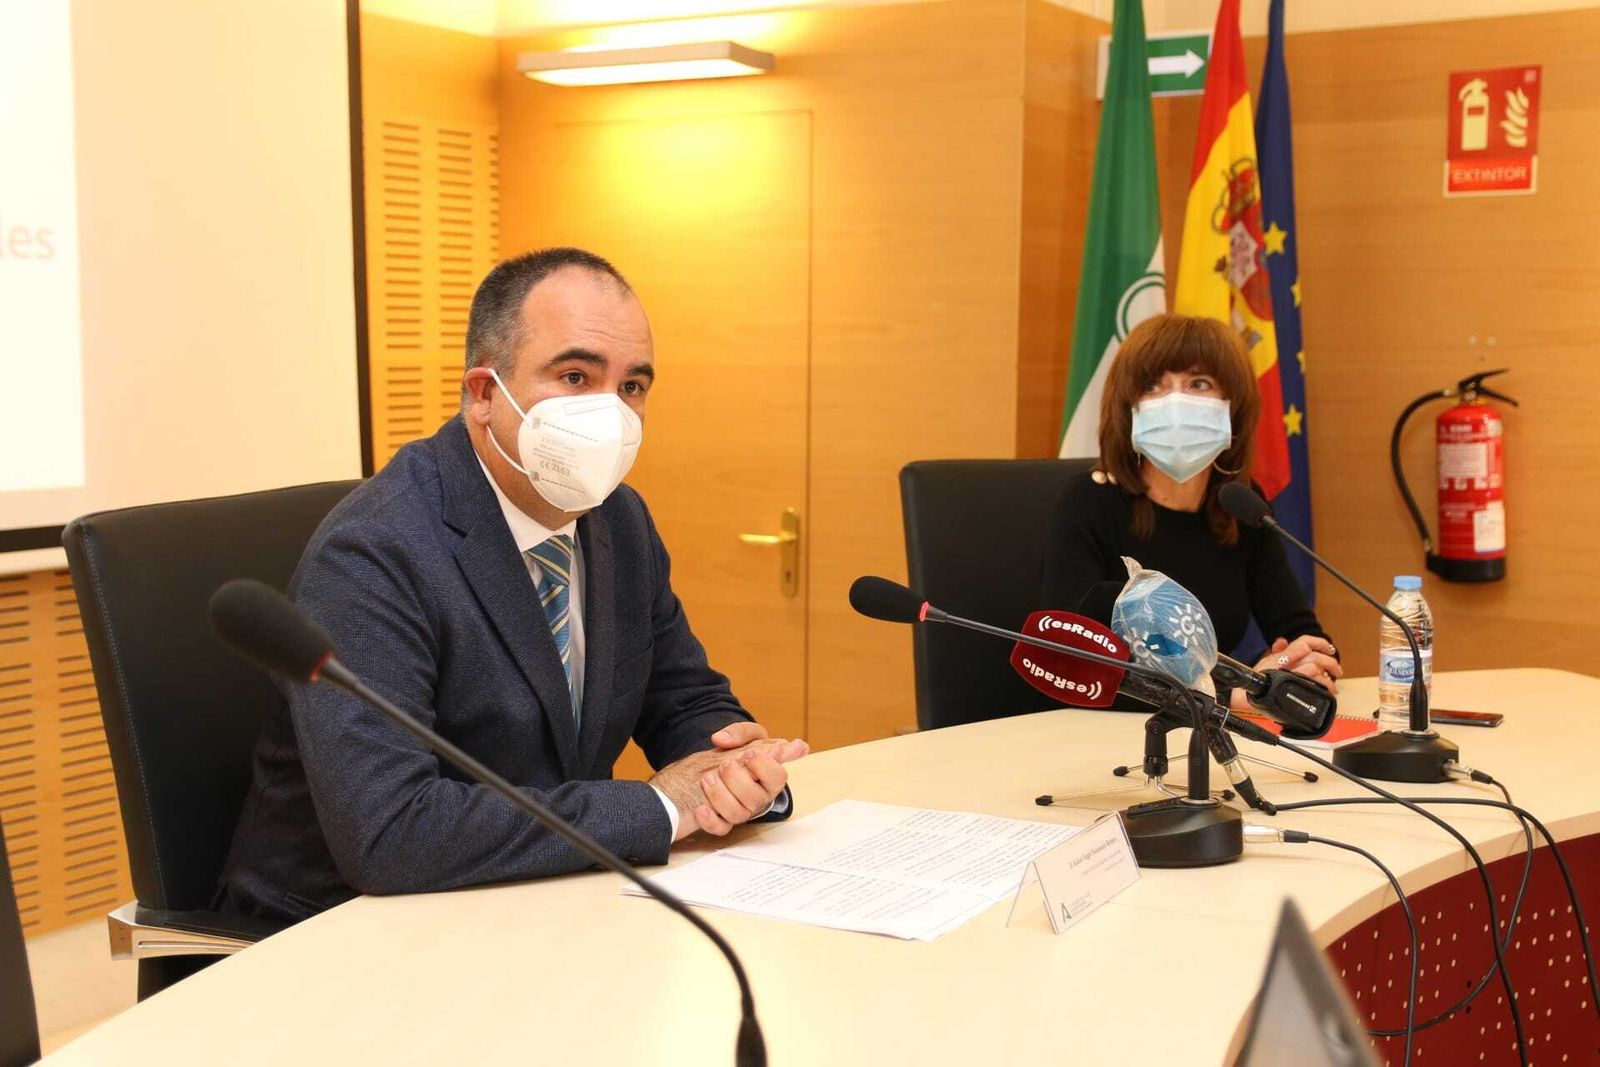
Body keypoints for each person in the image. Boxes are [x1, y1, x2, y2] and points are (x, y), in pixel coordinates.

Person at [218, 248, 805, 923]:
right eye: (576, 376)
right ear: (484, 393)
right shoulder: (374, 551)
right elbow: (392, 830)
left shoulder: (619, 519)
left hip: (542, 900)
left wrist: (730, 764)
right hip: (340, 930)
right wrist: (662, 807)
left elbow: (682, 696)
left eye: (632, 386)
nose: (610, 413)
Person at [1040, 313, 1339, 709]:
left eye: (1199, 384)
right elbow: (1071, 664)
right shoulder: (1089, 503)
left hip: (1202, 731)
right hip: (1096, 731)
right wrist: (1233, 693)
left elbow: (1306, 638)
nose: (1175, 403)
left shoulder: (1241, 507)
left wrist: (1297, 666)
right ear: (1129, 408)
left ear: (1233, 407)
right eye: (1153, 386)